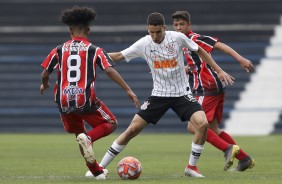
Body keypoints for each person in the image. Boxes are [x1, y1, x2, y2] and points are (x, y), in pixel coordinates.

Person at [96, 12, 234, 178]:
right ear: (148, 30)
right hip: (159, 95)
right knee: (132, 129)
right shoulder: (144, 43)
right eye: (151, 32)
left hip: (182, 94)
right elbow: (118, 56)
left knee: (203, 124)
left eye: (158, 32)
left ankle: (191, 167)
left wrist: (218, 70)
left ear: (164, 28)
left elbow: (199, 50)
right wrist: (94, 55)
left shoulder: (177, 38)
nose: (154, 36)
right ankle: (99, 167)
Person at [39, 6, 139, 180]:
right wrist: (128, 90)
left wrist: (44, 84)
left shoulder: (58, 50)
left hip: (63, 101)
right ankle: (89, 141)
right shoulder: (95, 50)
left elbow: (45, 73)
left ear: (70, 30)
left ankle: (96, 172)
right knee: (110, 123)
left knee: (80, 135)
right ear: (88, 30)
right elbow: (108, 70)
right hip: (85, 99)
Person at [171, 10, 255, 171]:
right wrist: (177, 70)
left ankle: (228, 149)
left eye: (182, 24)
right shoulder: (182, 42)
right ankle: (244, 159)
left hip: (206, 87)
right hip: (211, 87)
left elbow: (220, 46)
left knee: (193, 126)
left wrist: (240, 59)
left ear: (189, 25)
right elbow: (195, 65)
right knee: (213, 128)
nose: (179, 28)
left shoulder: (195, 38)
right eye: (176, 25)